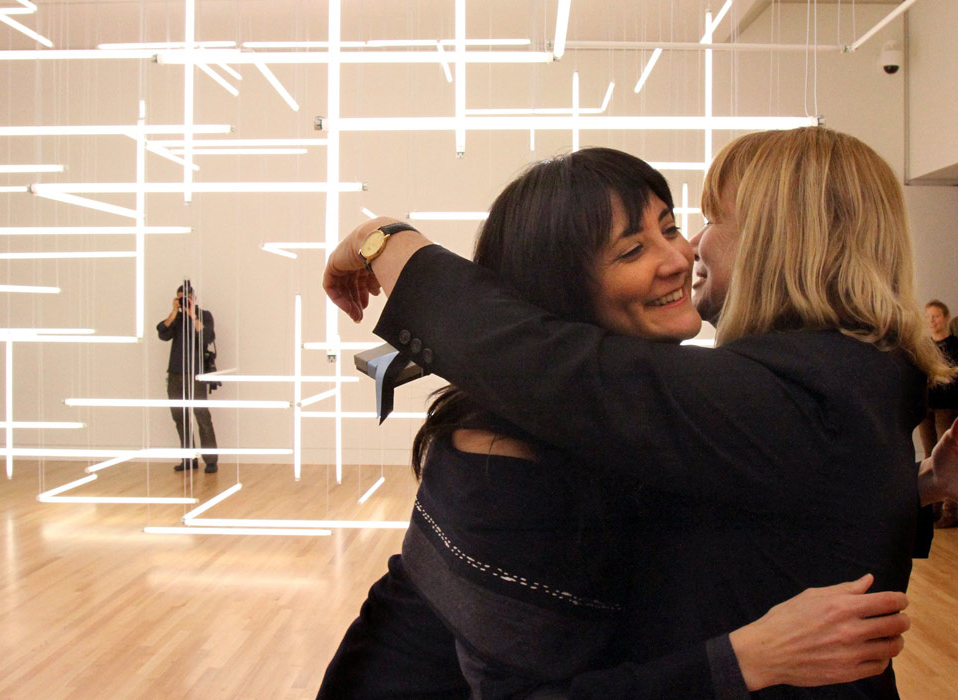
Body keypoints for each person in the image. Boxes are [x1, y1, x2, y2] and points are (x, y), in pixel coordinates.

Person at [324, 129, 958, 699]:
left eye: (688, 222)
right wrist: (741, 659)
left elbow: (542, 359)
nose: (687, 252)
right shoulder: (502, 451)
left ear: (781, 240)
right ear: (560, 293)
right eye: (632, 249)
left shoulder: (788, 385)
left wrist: (382, 240)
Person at [156, 281, 219, 474]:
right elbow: (162, 333)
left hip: (196, 374)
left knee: (202, 416)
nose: (184, 301)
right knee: (179, 417)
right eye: (180, 298)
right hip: (175, 373)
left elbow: (207, 337)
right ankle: (188, 458)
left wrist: (192, 314)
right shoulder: (176, 318)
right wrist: (175, 311)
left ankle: (210, 460)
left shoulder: (204, 315)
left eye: (187, 298)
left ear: (194, 298)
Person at [920, 300, 958, 527]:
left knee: (948, 458)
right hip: (927, 406)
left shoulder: (955, 345)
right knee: (929, 455)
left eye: (935, 316)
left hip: (948, 405)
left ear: (945, 318)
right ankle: (932, 508)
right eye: (928, 316)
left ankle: (951, 511)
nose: (932, 321)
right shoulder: (924, 346)